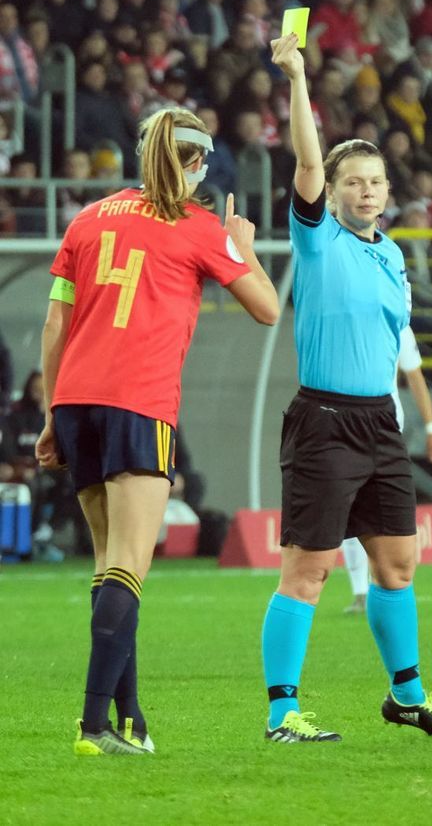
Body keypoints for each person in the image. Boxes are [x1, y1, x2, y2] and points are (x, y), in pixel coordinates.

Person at [35, 108, 279, 756]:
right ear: (198, 164)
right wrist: (243, 244)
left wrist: (51, 411)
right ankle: (92, 726)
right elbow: (267, 307)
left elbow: (54, 326)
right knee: (131, 564)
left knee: (109, 563)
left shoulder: (87, 220)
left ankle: (132, 718)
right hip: (140, 404)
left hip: (77, 401)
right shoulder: (199, 227)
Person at [263, 32, 432, 742]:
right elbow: (309, 157)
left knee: (398, 563)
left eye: (376, 180)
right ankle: (282, 711)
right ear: (334, 190)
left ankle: (406, 698)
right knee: (309, 571)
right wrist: (296, 77)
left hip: (380, 423)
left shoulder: (393, 255)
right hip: (323, 421)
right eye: (354, 180)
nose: (367, 189)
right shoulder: (319, 237)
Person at [342, 325, 432, 614]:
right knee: (348, 511)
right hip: (346, 428)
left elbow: (414, 376)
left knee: (388, 514)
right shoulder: (346, 320)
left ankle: (392, 586)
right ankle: (360, 592)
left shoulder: (398, 324)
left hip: (388, 430)